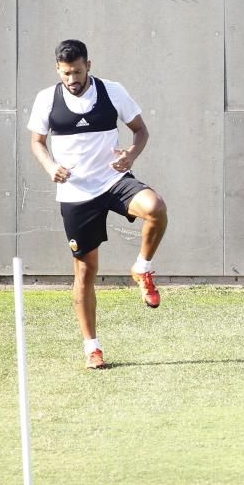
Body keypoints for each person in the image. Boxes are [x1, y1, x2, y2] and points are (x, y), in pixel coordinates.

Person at [28, 39, 168, 370]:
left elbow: (140, 131)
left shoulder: (112, 91)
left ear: (88, 66)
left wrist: (130, 155)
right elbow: (37, 141)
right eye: (65, 73)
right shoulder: (47, 99)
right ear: (57, 70)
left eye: (77, 72)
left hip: (113, 181)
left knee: (156, 208)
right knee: (86, 272)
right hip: (76, 194)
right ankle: (92, 347)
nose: (72, 79)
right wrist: (51, 167)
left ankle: (143, 268)